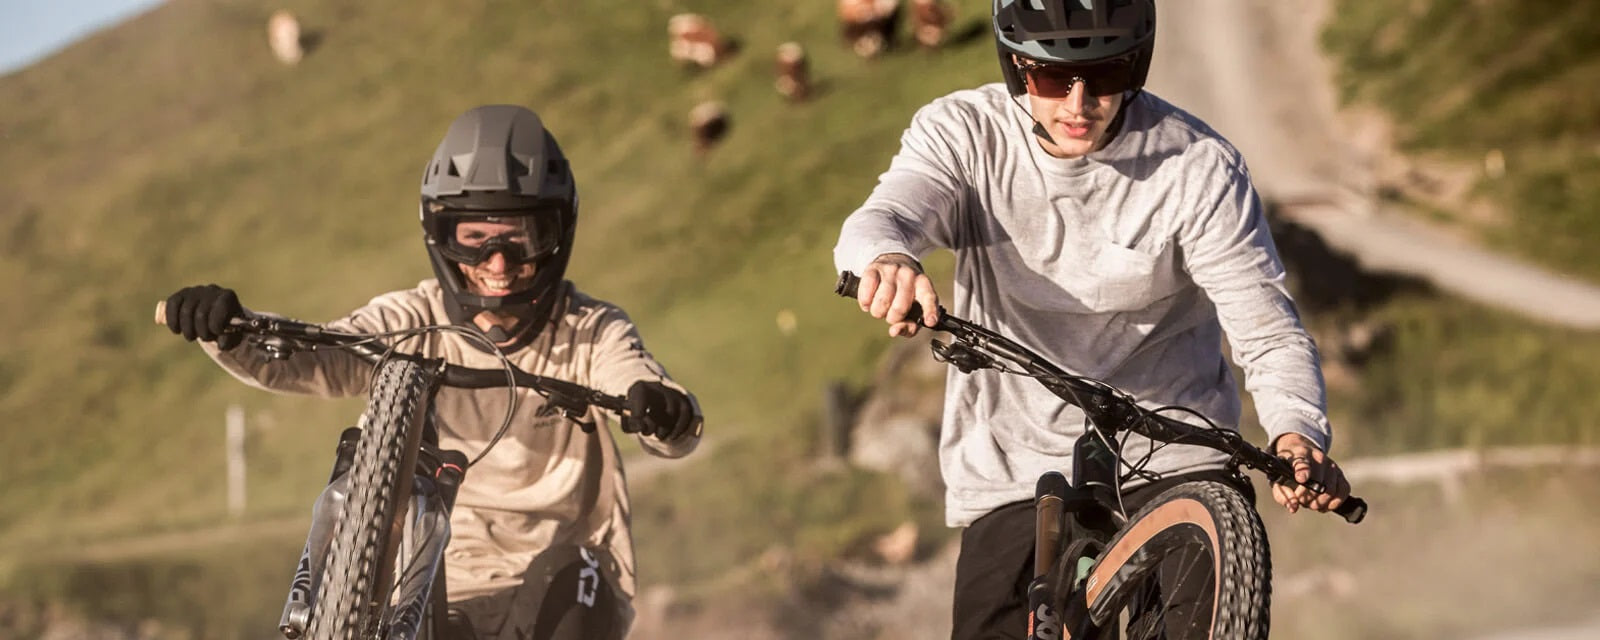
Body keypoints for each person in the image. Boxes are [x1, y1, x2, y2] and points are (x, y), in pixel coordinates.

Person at [831, 1, 1351, 637]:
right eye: (1053, 78)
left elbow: (1267, 331)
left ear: (1136, 63)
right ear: (1017, 67)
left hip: (1176, 450)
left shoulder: (1198, 168)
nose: (1079, 103)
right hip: (1015, 463)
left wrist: (1296, 432)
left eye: (1105, 76)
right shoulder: (965, 134)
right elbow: (883, 219)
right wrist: (888, 262)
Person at [163, 104, 702, 639]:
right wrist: (231, 330)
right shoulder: (412, 320)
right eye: (475, 237)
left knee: (573, 579)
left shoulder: (591, 328)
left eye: (523, 237)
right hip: (432, 589)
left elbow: (630, 376)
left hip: (558, 584)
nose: (498, 262)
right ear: (439, 232)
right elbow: (319, 354)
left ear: (557, 235)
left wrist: (658, 405)